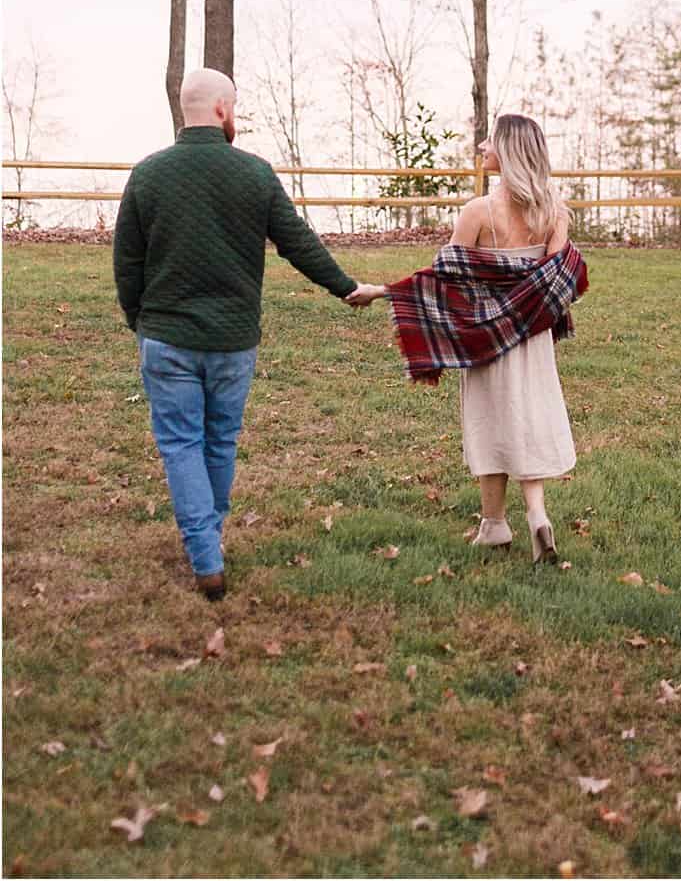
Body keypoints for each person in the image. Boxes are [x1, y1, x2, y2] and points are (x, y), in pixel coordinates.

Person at [113, 67, 359, 601]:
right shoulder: (255, 174)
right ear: (223, 109)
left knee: (181, 445)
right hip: (232, 342)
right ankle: (210, 543)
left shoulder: (148, 174)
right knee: (219, 442)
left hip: (167, 338)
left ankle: (205, 554)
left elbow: (126, 263)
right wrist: (346, 287)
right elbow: (299, 243)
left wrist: (141, 320)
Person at [349, 113, 586, 563]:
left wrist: (382, 291)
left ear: (510, 151)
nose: (481, 146)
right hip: (531, 340)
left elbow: (443, 278)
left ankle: (495, 525)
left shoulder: (480, 212)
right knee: (527, 419)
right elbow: (553, 286)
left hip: (485, 337)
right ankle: (535, 513)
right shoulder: (553, 211)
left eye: (490, 140)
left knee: (491, 422)